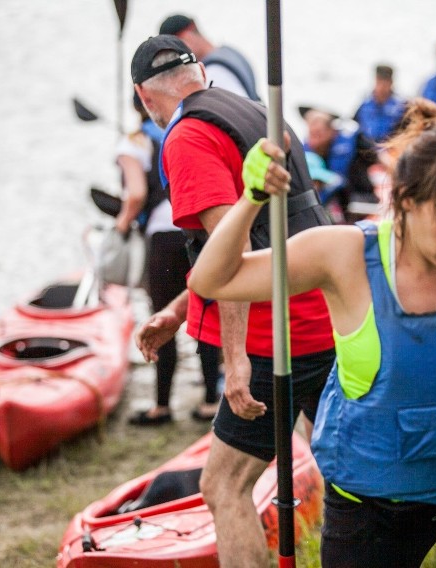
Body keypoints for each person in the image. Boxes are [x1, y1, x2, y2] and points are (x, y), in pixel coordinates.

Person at [187, 99, 436, 567]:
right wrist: (251, 199)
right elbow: (213, 279)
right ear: (405, 199)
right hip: (370, 510)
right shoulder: (342, 255)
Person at [130, 35, 335, 567]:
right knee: (339, 464)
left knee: (222, 486)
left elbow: (237, 252)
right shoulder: (256, 111)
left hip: (279, 333)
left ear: (143, 96)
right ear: (197, 71)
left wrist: (235, 359)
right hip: (331, 310)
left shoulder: (186, 138)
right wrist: (177, 311)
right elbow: (252, 239)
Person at [115, 94, 222, 426]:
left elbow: (135, 195)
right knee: (204, 312)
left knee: (162, 316)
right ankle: (209, 402)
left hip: (163, 237)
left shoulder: (133, 142)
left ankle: (161, 406)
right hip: (197, 230)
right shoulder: (186, 130)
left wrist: (120, 227)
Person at [301, 106, 378, 223]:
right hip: (328, 202)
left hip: (360, 200)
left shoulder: (356, 141)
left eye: (318, 133)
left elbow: (379, 158)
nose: (314, 140)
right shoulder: (308, 156)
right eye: (311, 134)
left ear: (332, 131)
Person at [159, 14, 261, 102]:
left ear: (189, 31)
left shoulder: (213, 71)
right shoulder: (229, 52)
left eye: (178, 43)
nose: (178, 53)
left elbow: (241, 111)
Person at [352, 64, 408, 143]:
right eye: (379, 81)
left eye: (385, 83)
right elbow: (354, 123)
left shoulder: (401, 105)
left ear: (391, 82)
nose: (382, 87)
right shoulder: (365, 102)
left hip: (390, 146)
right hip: (366, 146)